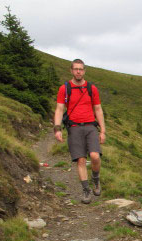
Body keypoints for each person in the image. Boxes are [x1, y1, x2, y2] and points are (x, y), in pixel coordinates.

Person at [53, 59, 106, 204]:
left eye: (81, 69)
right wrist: (57, 128)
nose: (78, 72)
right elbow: (59, 109)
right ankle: (86, 190)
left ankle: (96, 180)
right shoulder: (64, 88)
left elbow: (98, 109)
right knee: (81, 160)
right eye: (76, 69)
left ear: (84, 71)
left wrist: (103, 131)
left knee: (95, 156)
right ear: (71, 70)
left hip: (90, 126)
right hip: (74, 127)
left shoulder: (91, 88)